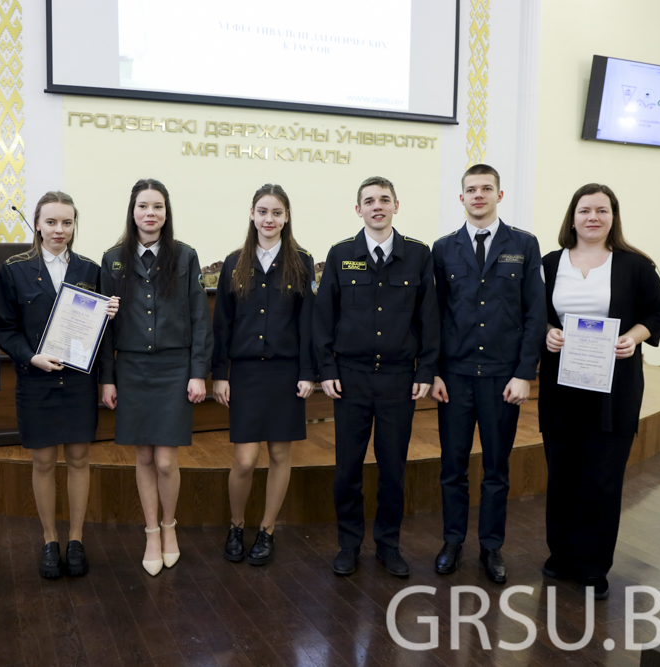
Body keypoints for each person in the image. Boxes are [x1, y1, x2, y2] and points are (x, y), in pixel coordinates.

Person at [540, 183, 660, 599]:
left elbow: (656, 312)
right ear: (571, 217)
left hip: (614, 389)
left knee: (603, 478)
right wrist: (548, 333)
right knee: (562, 474)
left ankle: (594, 566)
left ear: (613, 217)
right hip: (562, 384)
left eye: (602, 210)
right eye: (584, 210)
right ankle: (560, 556)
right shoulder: (549, 263)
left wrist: (633, 337)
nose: (593, 217)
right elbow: (534, 314)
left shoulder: (635, 265)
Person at [313, 175, 440, 578]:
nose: (377, 206)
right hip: (350, 379)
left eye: (384, 199)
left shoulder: (418, 256)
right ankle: (349, 543)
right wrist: (327, 369)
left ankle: (388, 544)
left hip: (398, 380)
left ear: (396, 206)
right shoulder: (340, 255)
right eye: (369, 201)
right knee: (347, 468)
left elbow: (430, 318)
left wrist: (428, 368)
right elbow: (323, 320)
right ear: (358, 210)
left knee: (392, 468)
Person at [0, 191, 119, 580]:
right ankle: (50, 540)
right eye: (51, 222)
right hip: (36, 381)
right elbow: (4, 328)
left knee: (80, 460)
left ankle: (76, 539)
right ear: (37, 224)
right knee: (44, 462)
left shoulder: (90, 269)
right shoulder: (14, 270)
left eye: (66, 222)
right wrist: (30, 356)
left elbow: (104, 338)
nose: (59, 230)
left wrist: (108, 315)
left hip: (80, 383)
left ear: (74, 225)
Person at [430, 164, 545, 583]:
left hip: (503, 378)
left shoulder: (524, 245)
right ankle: (453, 541)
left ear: (499, 194)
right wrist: (435, 371)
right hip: (455, 376)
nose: (478, 195)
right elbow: (434, 316)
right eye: (471, 190)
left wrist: (524, 373)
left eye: (486, 188)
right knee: (452, 466)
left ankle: (492, 547)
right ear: (461, 198)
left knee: (497, 469)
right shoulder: (442, 249)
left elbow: (535, 315)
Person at [99, 179, 213, 576]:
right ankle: (150, 532)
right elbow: (105, 328)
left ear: (167, 213)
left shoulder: (185, 257)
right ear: (132, 211)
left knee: (166, 460)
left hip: (173, 369)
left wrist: (198, 373)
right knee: (143, 455)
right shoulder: (113, 258)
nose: (151, 214)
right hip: (131, 369)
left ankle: (170, 527)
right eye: (144, 206)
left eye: (158, 207)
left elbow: (201, 319)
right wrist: (107, 379)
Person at [212, 184, 317, 565]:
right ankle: (236, 525)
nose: (269, 219)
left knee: (279, 454)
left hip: (286, 373)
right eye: (262, 211)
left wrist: (308, 372)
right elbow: (222, 323)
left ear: (286, 217)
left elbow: (308, 323)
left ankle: (267, 529)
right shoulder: (233, 262)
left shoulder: (302, 262)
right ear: (252, 215)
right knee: (243, 460)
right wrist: (219, 375)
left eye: (276, 212)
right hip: (243, 374)